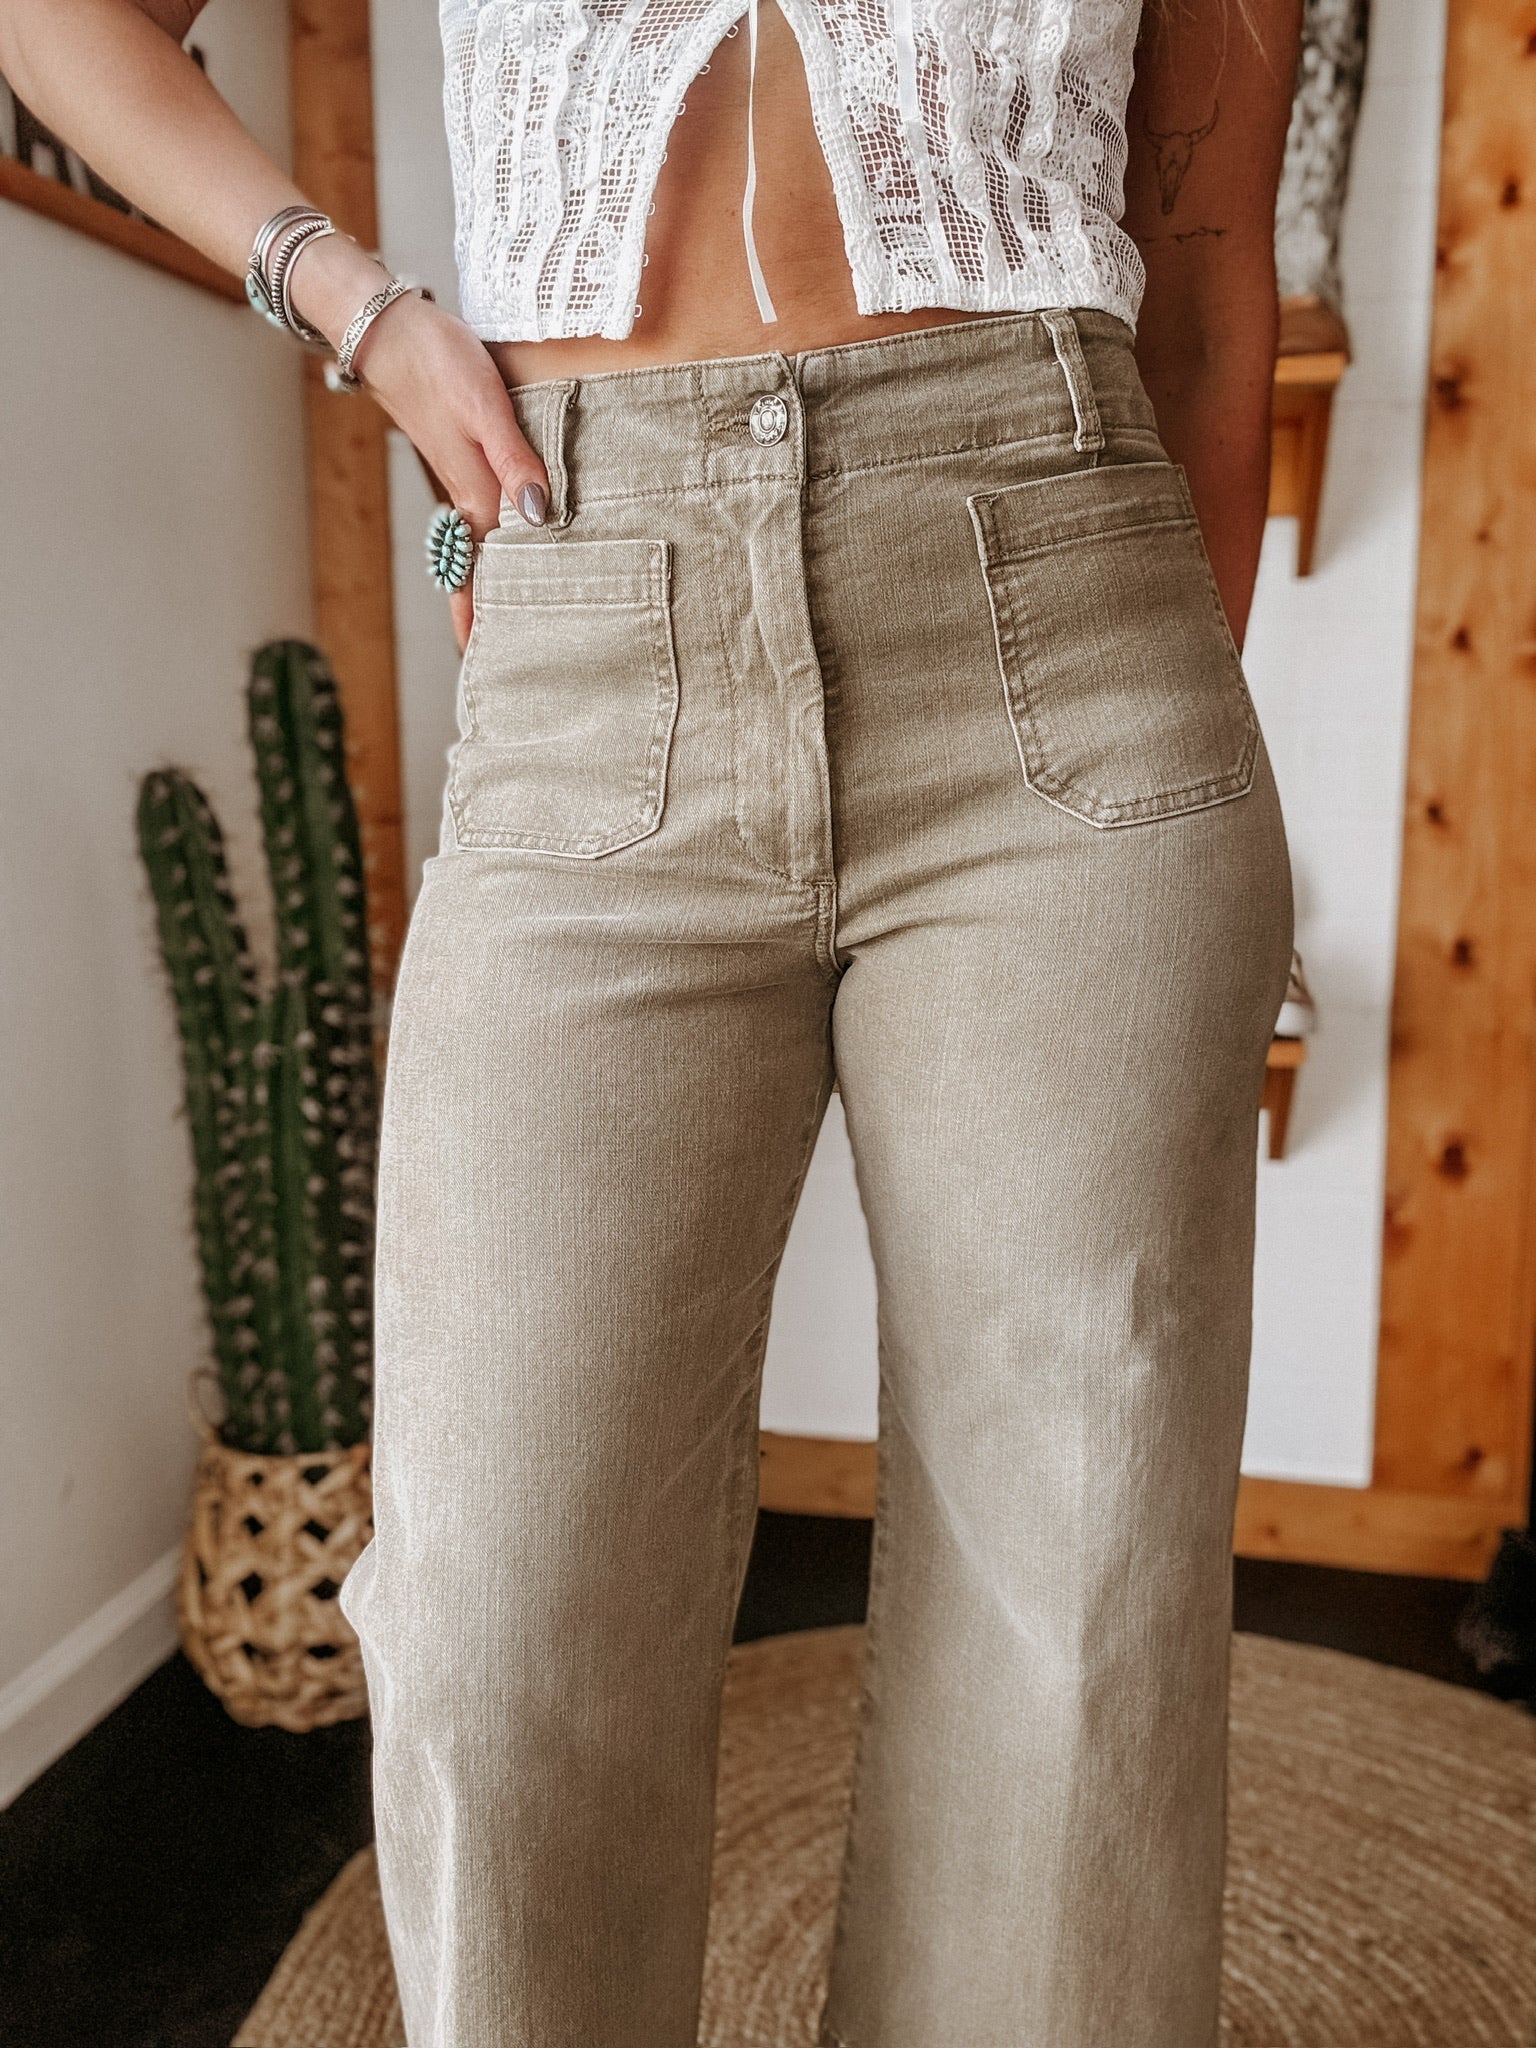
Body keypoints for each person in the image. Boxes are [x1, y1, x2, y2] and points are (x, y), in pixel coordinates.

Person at [3, 0, 1300, 2040]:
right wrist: (362, 314)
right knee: (495, 1612)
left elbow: (1215, 287)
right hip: (592, 601)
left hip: (1067, 617)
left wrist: (1151, 738)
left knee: (1075, 1625)